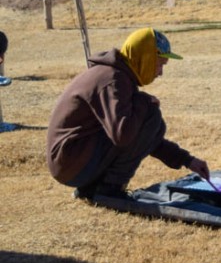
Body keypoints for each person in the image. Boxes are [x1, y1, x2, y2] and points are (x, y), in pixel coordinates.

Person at [46, 28, 210, 202]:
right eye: (159, 64)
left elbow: (143, 138)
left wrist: (187, 160)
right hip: (70, 162)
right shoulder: (113, 81)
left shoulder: (117, 76)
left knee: (149, 118)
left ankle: (93, 188)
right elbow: (124, 135)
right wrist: (143, 102)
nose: (160, 72)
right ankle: (109, 190)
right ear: (146, 58)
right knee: (150, 115)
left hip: (73, 160)